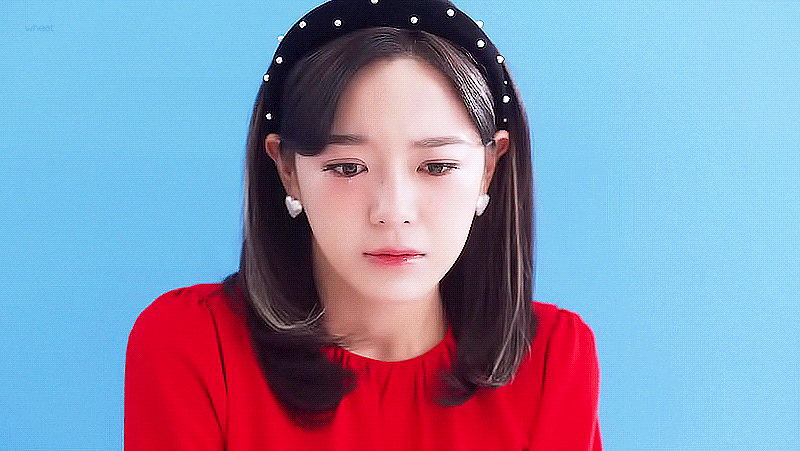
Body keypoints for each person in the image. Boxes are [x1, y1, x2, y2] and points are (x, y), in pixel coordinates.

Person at [124, 0, 601, 449]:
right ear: (287, 169)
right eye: (348, 167)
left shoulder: (552, 362)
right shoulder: (192, 347)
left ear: (489, 169)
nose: (393, 210)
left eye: (436, 166)